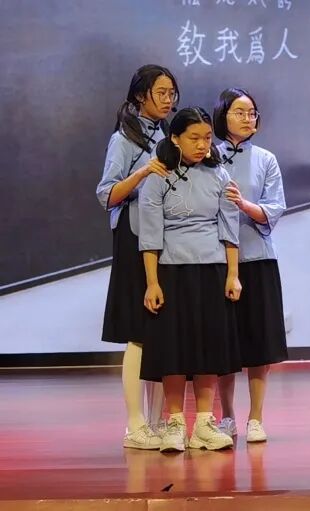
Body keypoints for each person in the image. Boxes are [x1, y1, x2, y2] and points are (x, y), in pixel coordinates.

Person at [139, 107, 243, 453]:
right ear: (175, 138)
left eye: (207, 138)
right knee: (173, 348)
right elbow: (150, 236)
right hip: (171, 270)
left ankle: (203, 423)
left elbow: (229, 228)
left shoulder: (220, 175)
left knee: (208, 346)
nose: (202, 145)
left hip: (212, 269)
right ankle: (174, 423)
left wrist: (233, 275)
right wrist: (152, 282)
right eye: (194, 138)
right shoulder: (158, 176)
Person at [95, 64, 178, 450]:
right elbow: (107, 195)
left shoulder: (169, 135)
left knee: (160, 331)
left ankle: (158, 422)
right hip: (133, 238)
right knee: (137, 330)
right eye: (161, 93)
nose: (168, 100)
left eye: (172, 93)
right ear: (140, 96)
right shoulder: (123, 138)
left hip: (165, 238)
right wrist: (144, 172)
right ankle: (134, 424)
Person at [213, 88, 288, 443]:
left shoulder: (266, 159)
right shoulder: (208, 155)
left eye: (252, 113)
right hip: (215, 261)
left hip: (257, 258)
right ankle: (226, 416)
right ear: (222, 115)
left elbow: (274, 209)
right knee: (223, 342)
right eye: (239, 112)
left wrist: (244, 204)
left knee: (260, 341)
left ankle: (255, 417)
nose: (248, 118)